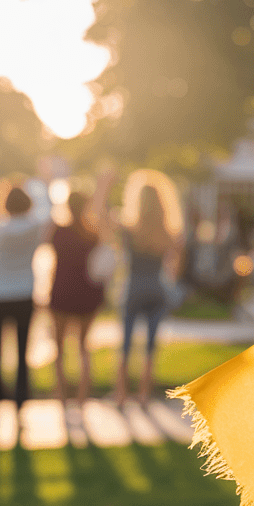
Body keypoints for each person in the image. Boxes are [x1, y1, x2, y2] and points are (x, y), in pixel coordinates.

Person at [0, 147, 50, 408]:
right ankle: (21, 395)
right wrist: (45, 179)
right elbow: (49, 212)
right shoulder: (35, 226)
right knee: (21, 350)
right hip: (24, 294)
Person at [47, 167, 115, 404]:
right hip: (88, 295)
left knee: (59, 350)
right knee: (84, 348)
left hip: (61, 294)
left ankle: (61, 397)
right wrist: (103, 188)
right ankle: (82, 399)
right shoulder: (92, 233)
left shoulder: (57, 231)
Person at [118, 170, 184, 405]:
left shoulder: (130, 229)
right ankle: (144, 394)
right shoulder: (168, 231)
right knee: (150, 347)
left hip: (133, 287)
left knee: (125, 344)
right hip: (157, 288)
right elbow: (176, 264)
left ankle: (121, 394)